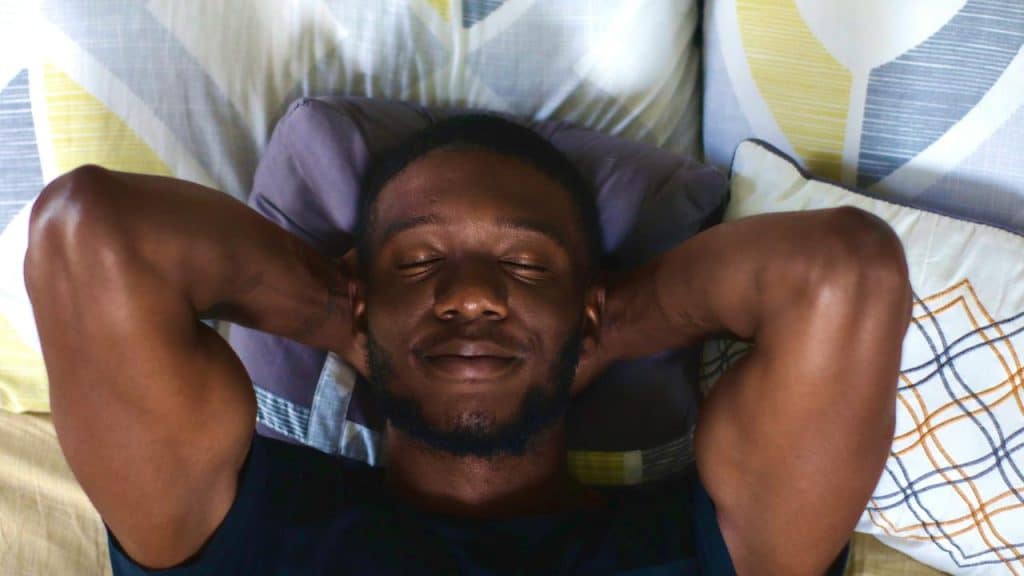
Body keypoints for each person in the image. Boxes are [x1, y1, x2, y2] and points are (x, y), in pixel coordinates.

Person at [24, 115, 912, 575]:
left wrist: (606, 323)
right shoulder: (235, 525)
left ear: (588, 307)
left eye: (526, 264)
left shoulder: (711, 546)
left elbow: (845, 273)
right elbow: (90, 233)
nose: (475, 295)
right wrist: (344, 313)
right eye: (419, 262)